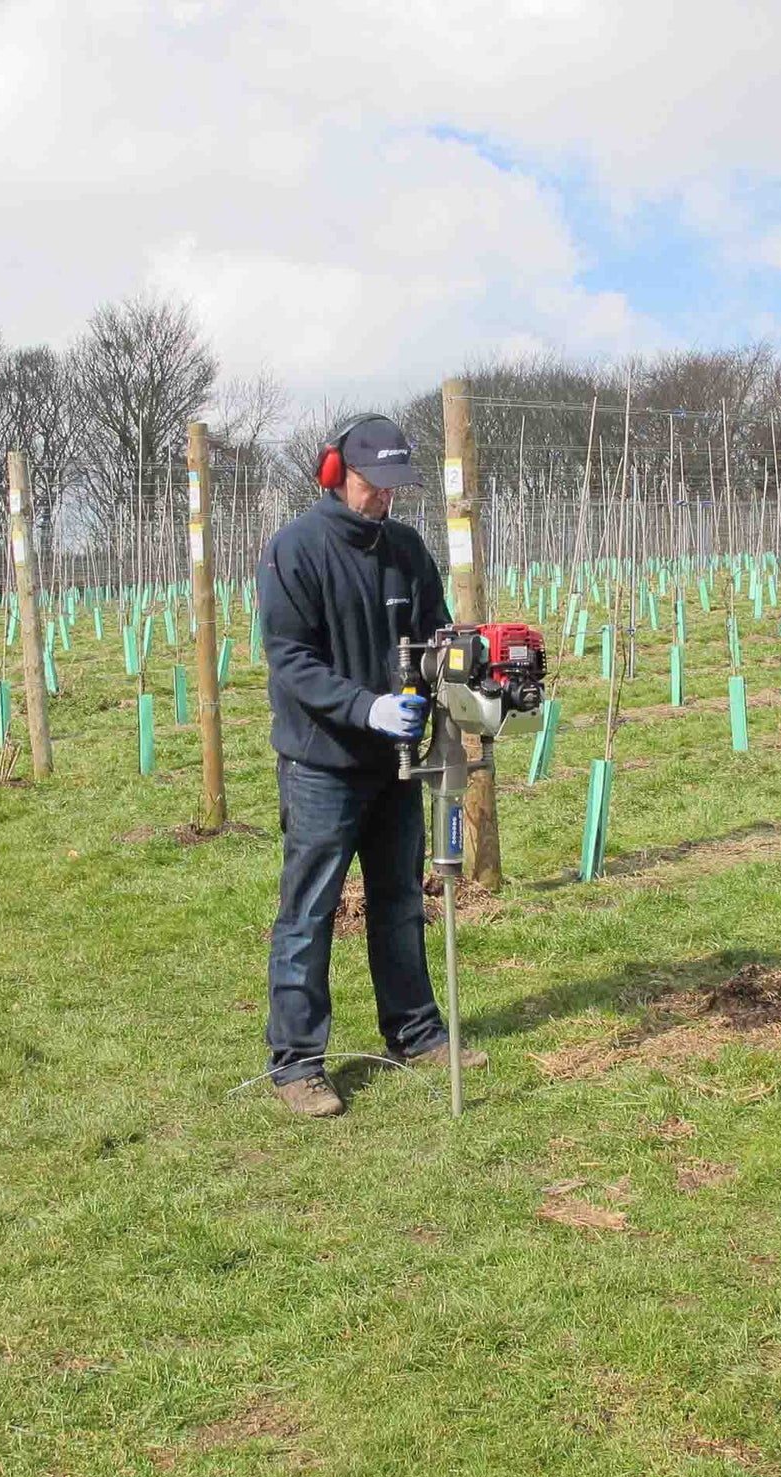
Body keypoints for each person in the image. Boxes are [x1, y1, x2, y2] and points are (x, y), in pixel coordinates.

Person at [256, 414, 487, 1116]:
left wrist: (466, 668)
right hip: (322, 765)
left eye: (393, 486)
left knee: (400, 902)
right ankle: (297, 1063)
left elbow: (436, 634)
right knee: (310, 912)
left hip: (397, 764)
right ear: (337, 474)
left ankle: (416, 1033)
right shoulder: (295, 550)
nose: (384, 496)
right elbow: (291, 659)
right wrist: (367, 707)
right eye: (372, 483)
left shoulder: (407, 549)